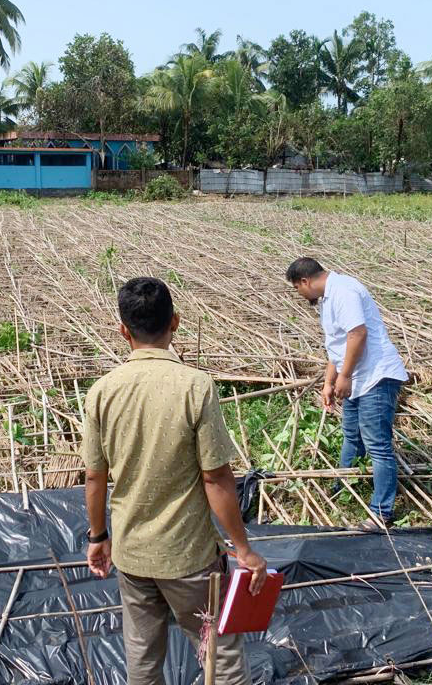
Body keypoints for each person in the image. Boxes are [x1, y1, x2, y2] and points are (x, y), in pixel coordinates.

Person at [82, 277, 267, 685]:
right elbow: (216, 476)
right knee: (220, 657)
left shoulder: (102, 392)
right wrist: (243, 548)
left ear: (123, 330)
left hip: (132, 556)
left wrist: (98, 537)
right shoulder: (194, 386)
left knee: (143, 660)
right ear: (176, 323)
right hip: (189, 558)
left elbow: (94, 476)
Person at [286, 257, 408, 530]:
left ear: (305, 281)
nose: (299, 294)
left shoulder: (344, 291)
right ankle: (343, 490)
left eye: (297, 288)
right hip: (356, 376)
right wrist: (329, 382)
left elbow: (358, 335)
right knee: (352, 435)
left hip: (376, 375)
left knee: (378, 445)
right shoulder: (327, 300)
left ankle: (381, 513)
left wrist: (345, 376)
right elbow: (338, 346)